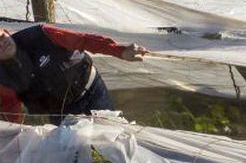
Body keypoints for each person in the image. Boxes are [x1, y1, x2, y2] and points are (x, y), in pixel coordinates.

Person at [0, 24, 148, 125]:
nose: (2, 44)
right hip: (60, 112)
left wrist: (120, 51)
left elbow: (83, 40)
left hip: (92, 91)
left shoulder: (40, 34)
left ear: (6, 32)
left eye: (1, 37)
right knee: (72, 150)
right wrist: (16, 135)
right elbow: (11, 106)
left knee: (113, 136)